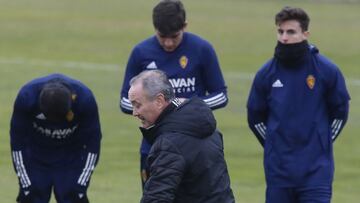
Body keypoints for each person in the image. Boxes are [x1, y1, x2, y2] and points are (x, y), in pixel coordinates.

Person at [247, 6, 350, 203]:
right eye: (280, 31)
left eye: (291, 32)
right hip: (279, 174)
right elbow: (255, 117)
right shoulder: (266, 74)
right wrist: (273, 144)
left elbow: (340, 112)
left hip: (316, 173)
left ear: (305, 34)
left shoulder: (327, 71)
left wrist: (323, 142)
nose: (284, 37)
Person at [119, 0, 228, 187]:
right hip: (153, 147)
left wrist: (183, 106)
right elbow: (124, 101)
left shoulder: (202, 49)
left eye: (174, 36)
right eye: (162, 37)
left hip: (194, 148)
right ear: (154, 29)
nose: (168, 43)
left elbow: (221, 96)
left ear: (185, 26)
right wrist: (152, 107)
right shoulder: (141, 52)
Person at [128, 70, 234, 203]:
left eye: (138, 105)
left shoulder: (169, 144)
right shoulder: (209, 128)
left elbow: (156, 198)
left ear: (159, 101)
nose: (134, 112)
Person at [10, 73, 102, 203]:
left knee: (73, 196)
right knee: (31, 197)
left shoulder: (84, 99)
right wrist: (25, 181)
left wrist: (81, 182)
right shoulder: (27, 97)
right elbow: (17, 141)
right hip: (36, 158)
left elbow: (93, 142)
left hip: (71, 159)